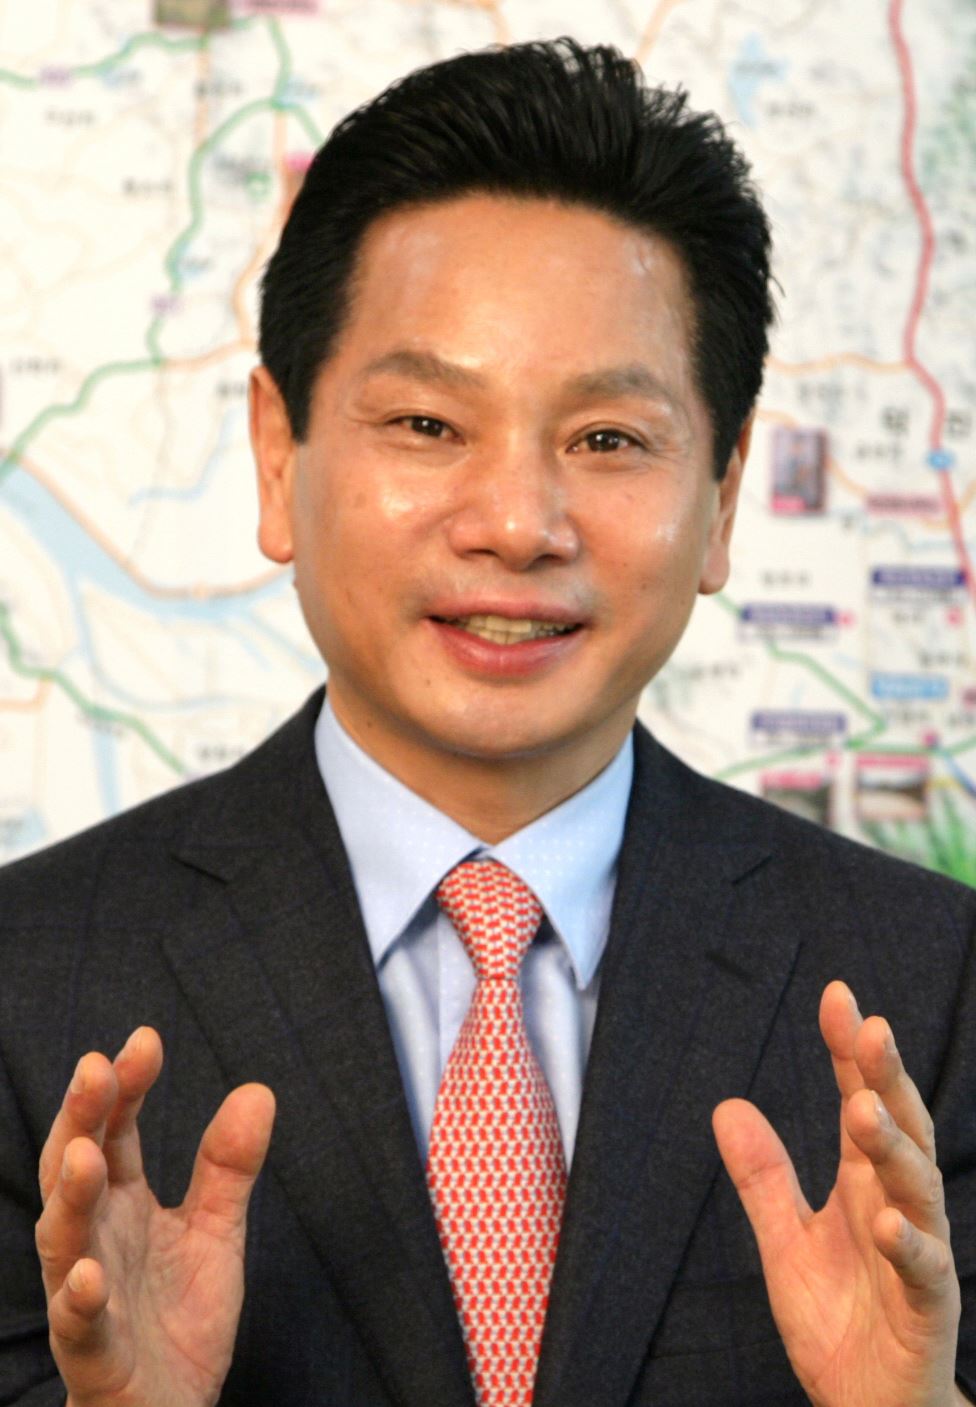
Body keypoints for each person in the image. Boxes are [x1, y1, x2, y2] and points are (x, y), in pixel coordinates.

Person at [0, 36, 973, 1407]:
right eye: (426, 424)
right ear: (278, 453)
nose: (518, 525)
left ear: (723, 497)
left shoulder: (933, 996)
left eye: (608, 440)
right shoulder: (25, 988)